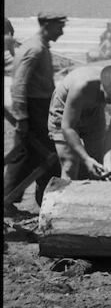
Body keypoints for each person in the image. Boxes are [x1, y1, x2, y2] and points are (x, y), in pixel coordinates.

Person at [4, 12, 66, 213]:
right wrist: (21, 117)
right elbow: (19, 85)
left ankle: (46, 202)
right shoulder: (35, 49)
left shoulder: (40, 47)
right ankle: (8, 202)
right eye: (59, 27)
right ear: (47, 25)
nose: (62, 32)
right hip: (34, 110)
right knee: (31, 155)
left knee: (38, 157)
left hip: (41, 108)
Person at [48, 65, 111, 180]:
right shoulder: (82, 86)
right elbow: (68, 127)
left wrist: (109, 163)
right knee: (70, 164)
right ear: (106, 88)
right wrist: (86, 158)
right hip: (64, 108)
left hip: (93, 109)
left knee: (99, 163)